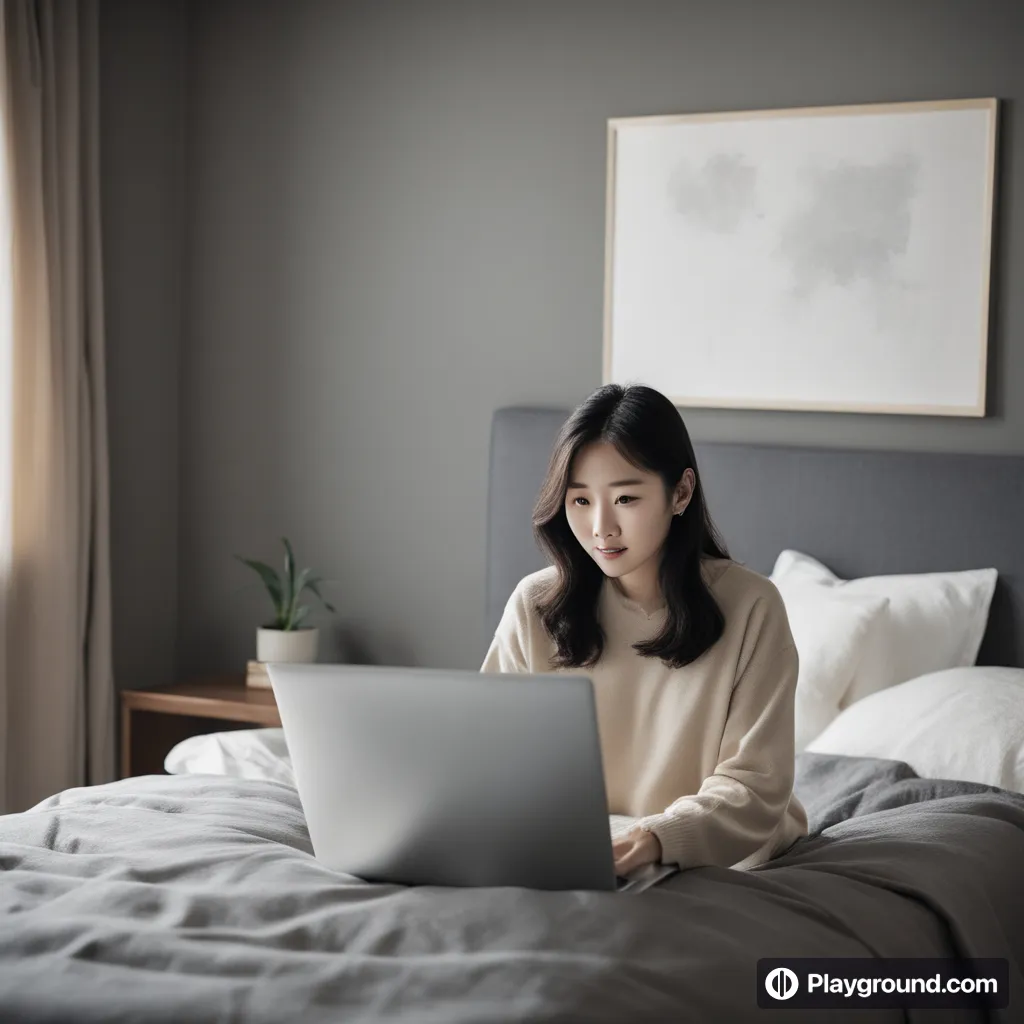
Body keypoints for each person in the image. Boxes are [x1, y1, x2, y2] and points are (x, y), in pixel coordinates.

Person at [481, 383, 807, 877]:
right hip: (582, 853)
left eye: (626, 498)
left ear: (680, 492)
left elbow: (753, 789)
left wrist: (656, 839)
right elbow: (486, 758)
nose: (600, 527)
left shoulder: (752, 607)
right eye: (580, 501)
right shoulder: (536, 605)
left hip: (724, 862)